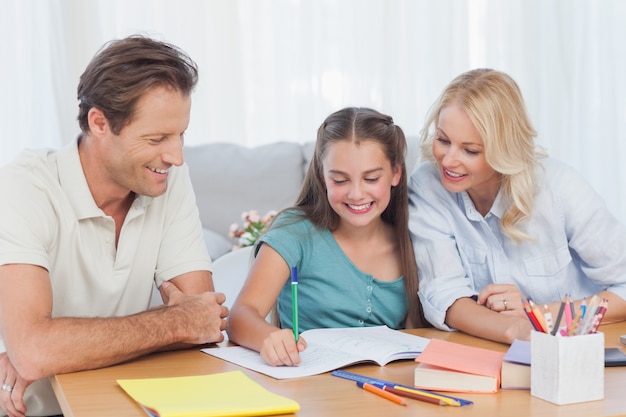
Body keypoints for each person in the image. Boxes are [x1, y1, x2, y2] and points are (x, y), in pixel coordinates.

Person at [0, 36, 229, 417]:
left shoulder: (167, 179)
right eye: (156, 138)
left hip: (129, 405)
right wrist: (175, 322)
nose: (175, 156)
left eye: (181, 134)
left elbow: (203, 324)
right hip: (32, 409)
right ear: (100, 122)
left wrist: (54, 348)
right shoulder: (23, 188)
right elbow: (35, 351)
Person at [408, 68, 626, 344]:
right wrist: (512, 329)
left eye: (470, 150)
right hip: (490, 353)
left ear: (504, 149)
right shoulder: (428, 184)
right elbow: (444, 296)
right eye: (443, 140)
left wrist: (537, 316)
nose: (448, 161)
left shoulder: (559, 188)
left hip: (579, 350)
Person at [227, 107, 425, 366]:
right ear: (322, 175)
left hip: (381, 393)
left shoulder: (412, 239)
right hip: (310, 389)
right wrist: (268, 338)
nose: (356, 194)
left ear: (396, 173)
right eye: (341, 180)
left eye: (371, 178)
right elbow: (240, 316)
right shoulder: (295, 232)